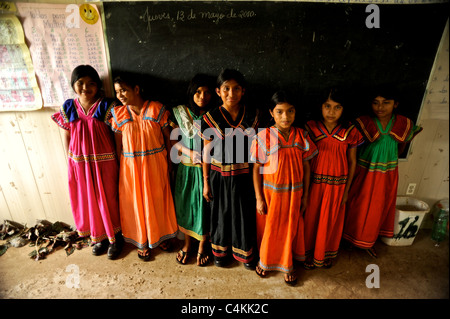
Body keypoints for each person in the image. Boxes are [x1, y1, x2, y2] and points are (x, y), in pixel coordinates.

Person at [51, 65, 123, 259]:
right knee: (88, 200)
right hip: (79, 164)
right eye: (80, 83)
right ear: (73, 85)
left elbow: (118, 135)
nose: (85, 88)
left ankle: (116, 238)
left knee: (109, 199)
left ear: (98, 86)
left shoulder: (107, 106)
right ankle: (99, 238)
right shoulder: (69, 107)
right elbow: (67, 136)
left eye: (91, 83)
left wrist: (119, 159)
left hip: (105, 162)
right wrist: (70, 162)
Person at [343, 86, 422, 257]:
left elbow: (402, 146)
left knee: (379, 207)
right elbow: (352, 149)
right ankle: (350, 239)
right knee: (357, 205)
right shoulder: (364, 123)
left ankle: (368, 241)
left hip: (387, 173)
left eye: (386, 102)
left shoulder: (403, 124)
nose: (380, 107)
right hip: (364, 172)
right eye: (376, 102)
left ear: (395, 104)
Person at [251, 91, 318, 286]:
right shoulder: (263, 136)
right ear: (271, 112)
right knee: (270, 228)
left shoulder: (301, 135)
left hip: (294, 194)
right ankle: (266, 261)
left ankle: (288, 264)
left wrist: (305, 195)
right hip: (271, 193)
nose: (285, 117)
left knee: (290, 227)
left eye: (290, 111)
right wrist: (258, 198)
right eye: (280, 112)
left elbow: (307, 167)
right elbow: (256, 169)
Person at [109, 74, 178, 261]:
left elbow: (168, 137)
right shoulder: (118, 114)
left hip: (155, 163)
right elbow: (117, 146)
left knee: (157, 200)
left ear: (136, 89)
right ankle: (142, 240)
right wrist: (119, 169)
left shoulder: (157, 109)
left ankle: (160, 236)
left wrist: (171, 162)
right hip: (131, 167)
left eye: (124, 90)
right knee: (135, 202)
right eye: (117, 92)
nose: (120, 95)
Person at [199, 69, 260, 269]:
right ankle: (220, 252)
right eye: (226, 89)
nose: (231, 94)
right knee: (220, 214)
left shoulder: (252, 115)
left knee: (244, 214)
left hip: (245, 175)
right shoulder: (210, 118)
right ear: (218, 91)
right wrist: (206, 182)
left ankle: (245, 253)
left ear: (243, 91)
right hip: (219, 176)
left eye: (236, 89)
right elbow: (206, 152)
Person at [303, 88, 364, 269]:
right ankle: (307, 252)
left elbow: (353, 162)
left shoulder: (350, 131)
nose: (331, 112)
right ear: (320, 106)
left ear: (344, 109)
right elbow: (304, 159)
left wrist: (346, 190)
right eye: (327, 106)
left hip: (338, 184)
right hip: (314, 183)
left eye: (337, 107)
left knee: (330, 219)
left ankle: (324, 252)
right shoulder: (310, 127)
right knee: (311, 218)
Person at [171, 74, 215, 266]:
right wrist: (189, 152)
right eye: (198, 92)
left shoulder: (216, 114)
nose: (202, 96)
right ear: (191, 92)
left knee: (205, 209)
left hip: (208, 171)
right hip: (186, 169)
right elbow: (173, 141)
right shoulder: (181, 113)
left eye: (206, 92)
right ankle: (188, 243)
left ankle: (203, 245)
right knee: (187, 207)